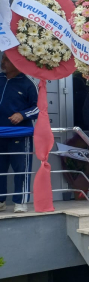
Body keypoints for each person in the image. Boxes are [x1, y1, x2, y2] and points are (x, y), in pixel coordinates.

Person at [0, 53, 38, 213]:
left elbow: (38, 108)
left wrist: (22, 115)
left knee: (21, 169)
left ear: (17, 62)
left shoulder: (28, 84)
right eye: (3, 59)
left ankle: (20, 202)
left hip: (20, 135)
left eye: (7, 59)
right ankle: (1, 201)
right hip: (1, 134)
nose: (3, 62)